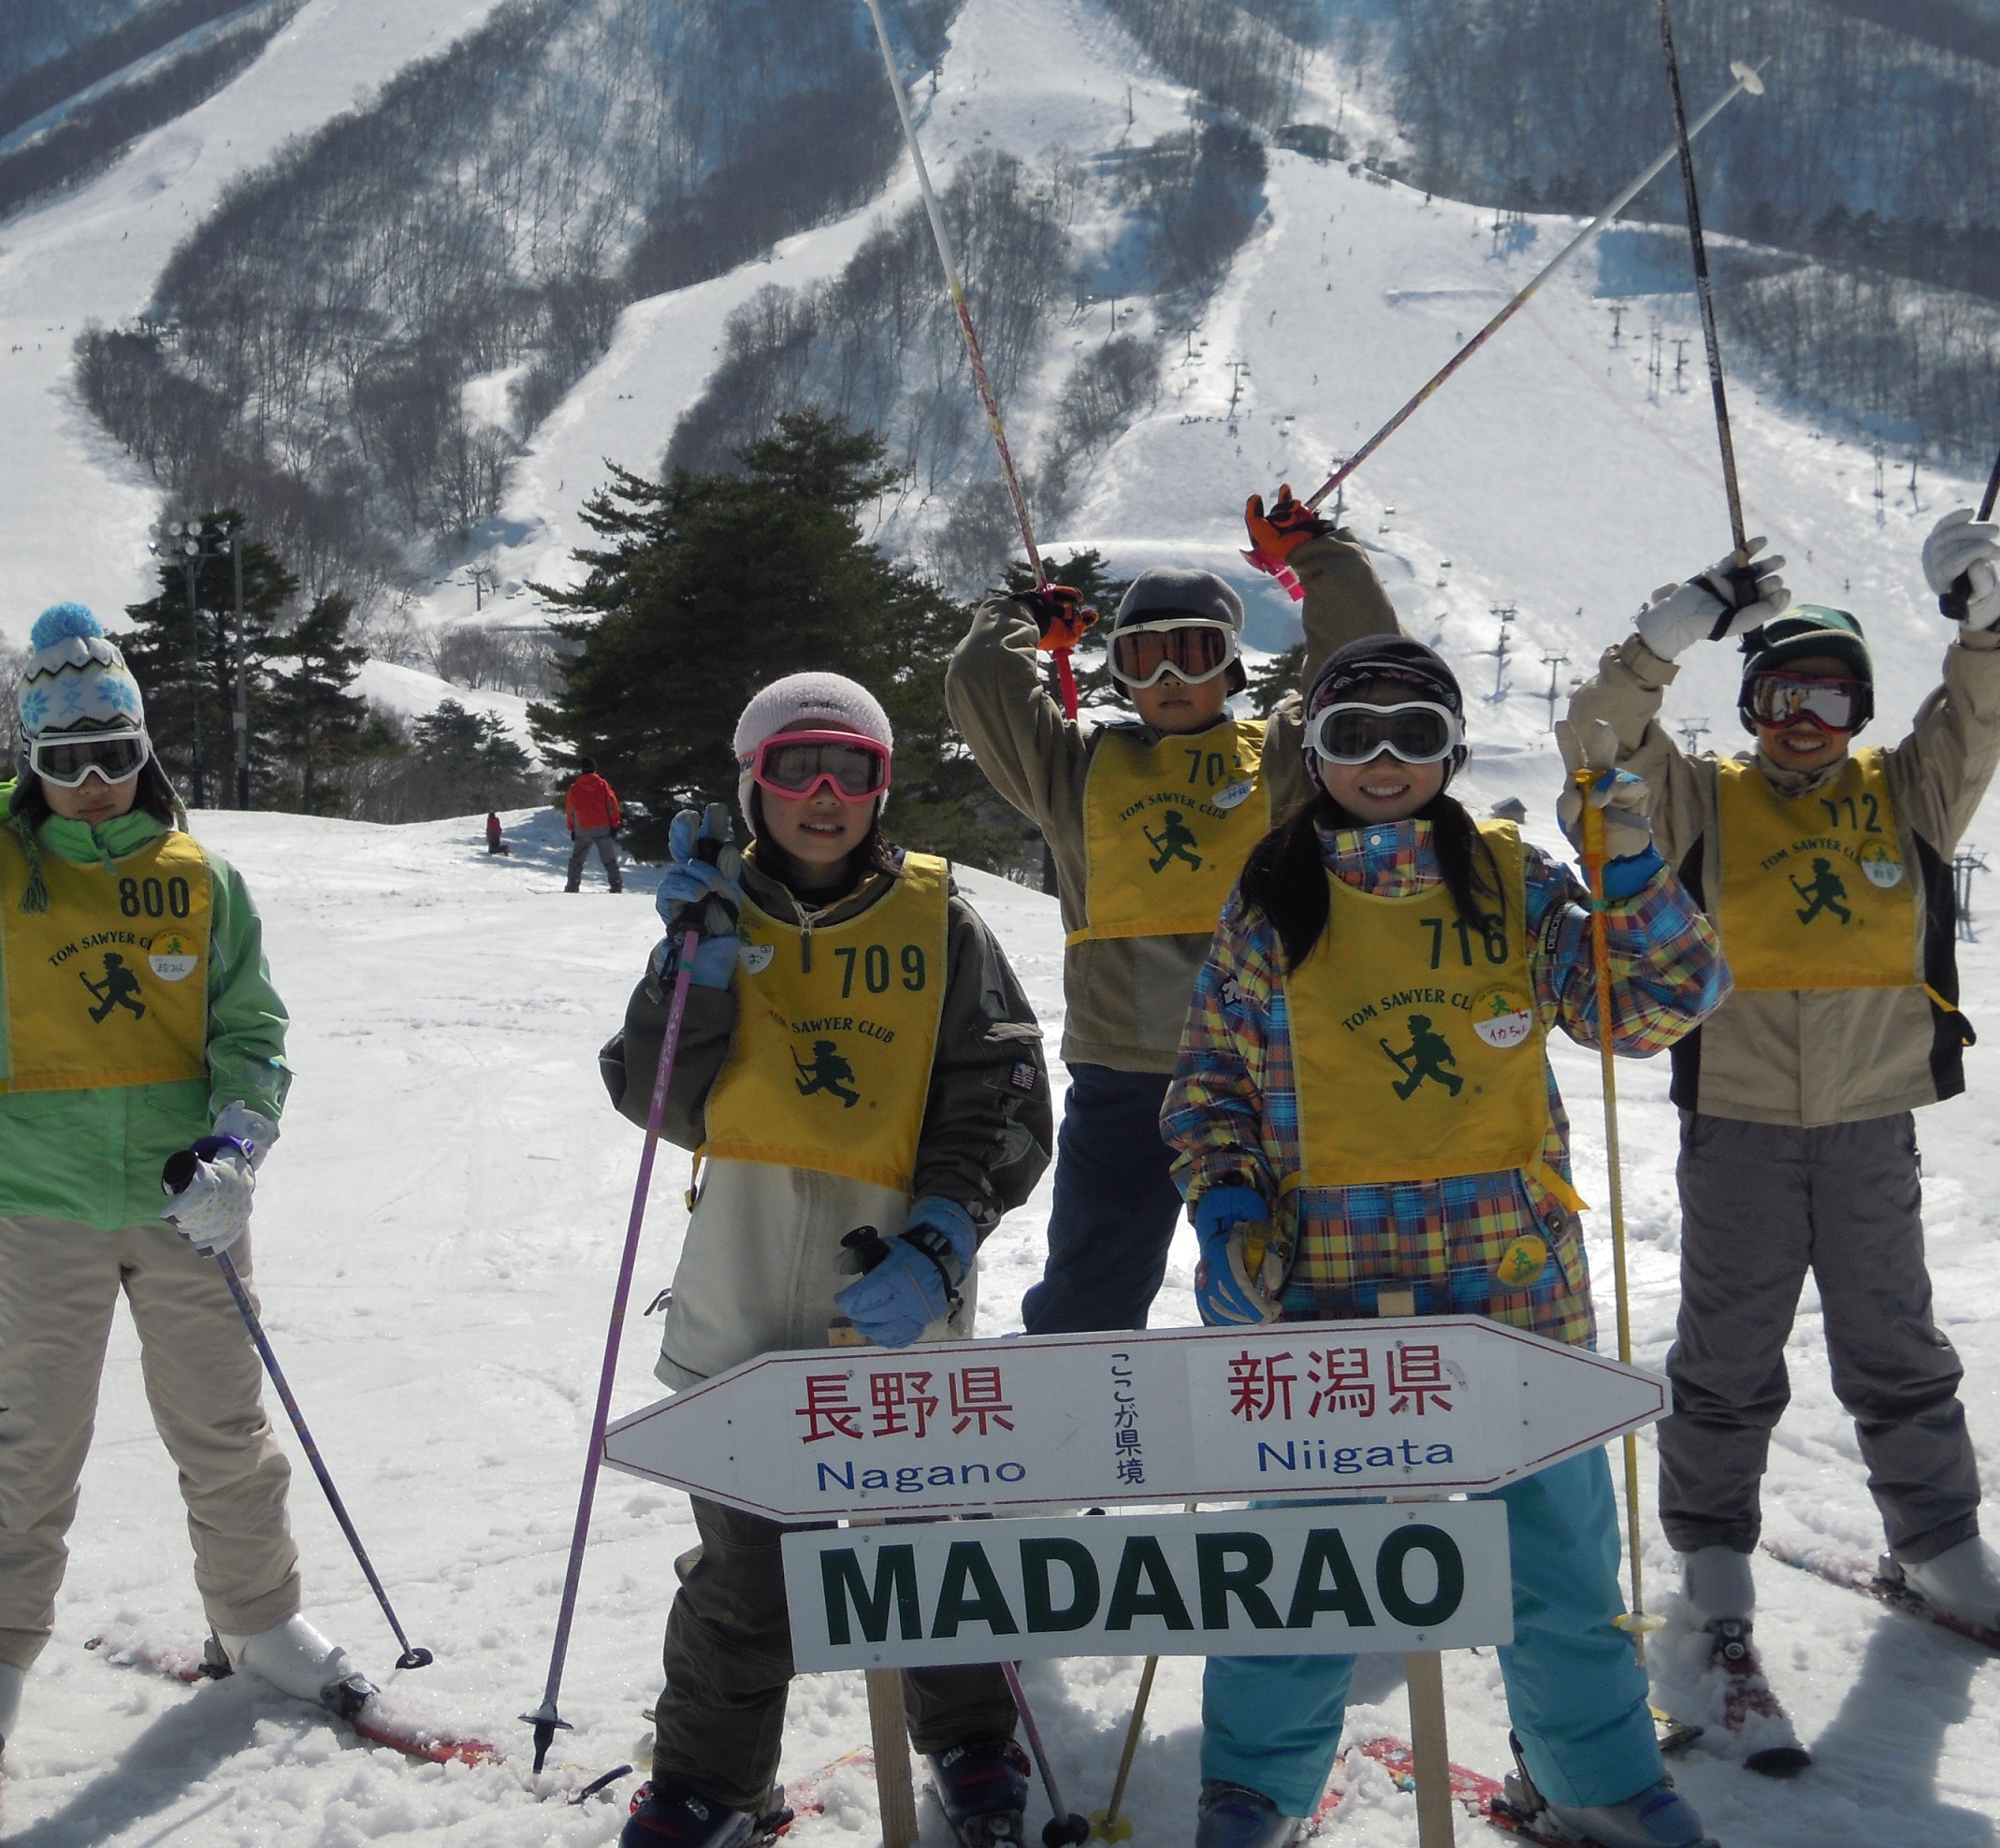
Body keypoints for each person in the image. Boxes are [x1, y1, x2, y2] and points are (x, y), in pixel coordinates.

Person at [1167, 635, 1730, 1848]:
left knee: (1559, 1561)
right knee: (1302, 1565)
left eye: (1412, 736)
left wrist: (1631, 870)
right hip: (1325, 1294)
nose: (1383, 761)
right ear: (1313, 752)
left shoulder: (1515, 882)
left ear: (1453, 754)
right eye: (1352, 734)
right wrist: (1223, 1203)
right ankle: (1255, 1790)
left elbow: (1652, 1010)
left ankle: (1591, 1775)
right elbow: (1213, 1084)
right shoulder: (1272, 901)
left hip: (1511, 1292)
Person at [0, 598, 371, 1781]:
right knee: (31, 1440)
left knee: (224, 1428)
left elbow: (252, 1029)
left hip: (187, 1210)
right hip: (39, 1207)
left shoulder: (202, 879)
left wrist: (237, 1150)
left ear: (144, 753)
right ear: (31, 763)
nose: (91, 782)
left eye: (113, 756)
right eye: (64, 761)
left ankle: (259, 1618)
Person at [1563, 513, 2000, 1771]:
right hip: (1743, 1128)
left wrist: (1981, 618)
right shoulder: (1703, 803)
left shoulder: (1908, 796)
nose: (1805, 715)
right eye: (1781, 691)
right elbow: (1595, 751)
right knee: (1727, 1351)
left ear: (1860, 709)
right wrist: (1667, 634)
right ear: (1756, 704)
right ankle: (1713, 1569)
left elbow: (1978, 713)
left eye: (1830, 693)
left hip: (1872, 1124)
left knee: (1895, 1338)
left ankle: (1937, 1543)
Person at [598, 672, 1054, 1848]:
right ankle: (711, 1781)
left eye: (849, 770)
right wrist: (683, 978)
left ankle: (970, 1746)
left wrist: (945, 1233)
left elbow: (1001, 1089)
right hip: (742, 1296)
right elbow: (657, 1096)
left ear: (879, 787)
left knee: (923, 1551)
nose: (821, 794)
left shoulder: (938, 916)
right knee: (747, 1577)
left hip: (896, 1295)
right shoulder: (715, 913)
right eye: (793, 767)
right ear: (750, 784)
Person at [945, 489, 1395, 1335]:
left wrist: (1317, 557)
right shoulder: (1075, 766)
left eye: (1194, 653)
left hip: (1269, 1072)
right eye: (1146, 656)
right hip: (1124, 1078)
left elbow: (1365, 671)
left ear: (1231, 666)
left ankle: (1288, 1435)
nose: (1170, 678)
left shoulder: (1285, 758)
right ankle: (1083, 1433)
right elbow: (980, 684)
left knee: (1284, 1280)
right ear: (1118, 670)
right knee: (1091, 1289)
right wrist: (1020, 619)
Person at [563, 760, 626, 893]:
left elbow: (570, 810)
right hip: (603, 826)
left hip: (583, 828)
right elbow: (612, 804)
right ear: (594, 769)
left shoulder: (574, 788)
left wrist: (572, 827)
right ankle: (616, 884)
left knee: (577, 859)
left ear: (582, 770)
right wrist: (614, 824)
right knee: (609, 859)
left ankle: (573, 884)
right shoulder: (602, 784)